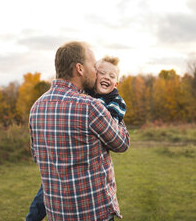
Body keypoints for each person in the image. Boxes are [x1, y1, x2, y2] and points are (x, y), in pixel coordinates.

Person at [28, 41, 130, 221]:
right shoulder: (91, 107)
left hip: (56, 214)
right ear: (80, 69)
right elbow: (122, 143)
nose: (96, 73)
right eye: (94, 66)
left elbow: (39, 158)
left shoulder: (36, 107)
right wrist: (114, 102)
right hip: (92, 214)